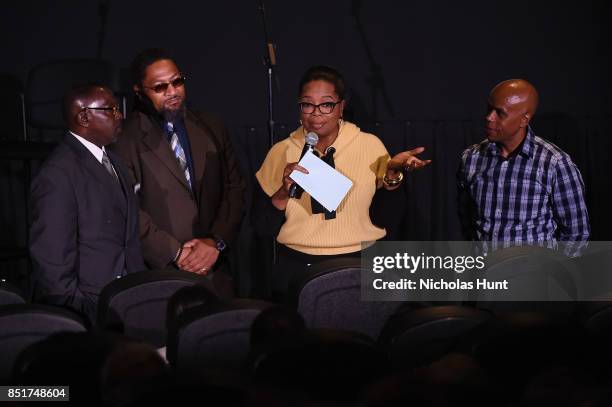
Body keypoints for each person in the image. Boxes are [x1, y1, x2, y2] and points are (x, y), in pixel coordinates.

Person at [254, 65, 431, 298]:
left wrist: (392, 175)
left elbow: (389, 218)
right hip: (297, 264)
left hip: (360, 262)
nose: (316, 113)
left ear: (341, 107)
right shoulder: (282, 151)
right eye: (307, 104)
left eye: (326, 104)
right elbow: (260, 225)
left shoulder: (369, 146)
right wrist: (282, 193)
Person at [109, 48, 245, 297]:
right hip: (160, 275)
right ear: (139, 91)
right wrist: (177, 253)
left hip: (216, 270)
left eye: (177, 82)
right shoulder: (125, 139)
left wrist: (215, 242)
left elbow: (234, 189)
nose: (172, 92)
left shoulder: (210, 126)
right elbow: (125, 210)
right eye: (160, 87)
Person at [29, 84, 146, 322]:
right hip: (90, 312)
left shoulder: (115, 162)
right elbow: (52, 260)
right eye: (111, 110)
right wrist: (81, 312)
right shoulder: (57, 174)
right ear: (84, 117)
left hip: (128, 305)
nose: (119, 115)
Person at [457, 79, 590, 256]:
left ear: (524, 119)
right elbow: (466, 219)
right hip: (485, 276)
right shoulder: (471, 159)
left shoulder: (554, 163)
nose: (489, 117)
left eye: (500, 113)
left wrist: (547, 273)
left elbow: (576, 235)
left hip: (533, 277)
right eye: (489, 109)